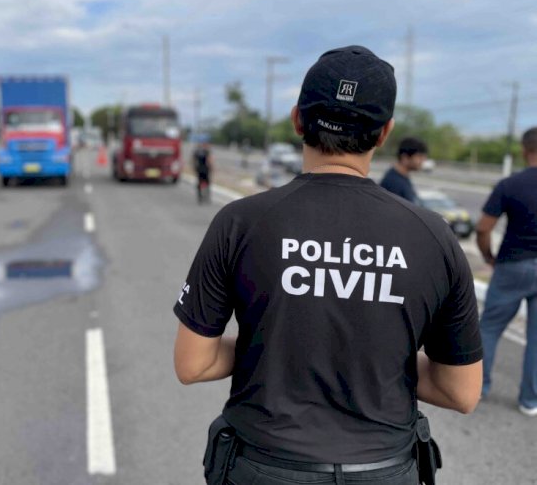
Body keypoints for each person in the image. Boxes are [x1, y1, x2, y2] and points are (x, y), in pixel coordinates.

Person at [173, 46, 482, 485]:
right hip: (383, 470)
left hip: (263, 467)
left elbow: (194, 364)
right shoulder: (434, 236)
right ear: (384, 134)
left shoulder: (239, 222)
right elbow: (461, 390)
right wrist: (376, 362)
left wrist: (276, 348)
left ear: (298, 119)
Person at [476, 127, 537, 417]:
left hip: (513, 264)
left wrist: (488, 255)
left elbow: (483, 228)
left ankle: (478, 388)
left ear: (525, 150)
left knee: (489, 327)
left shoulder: (510, 184)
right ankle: (529, 400)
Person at [379, 137, 428, 203]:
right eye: (419, 157)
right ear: (405, 157)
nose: (423, 161)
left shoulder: (402, 178)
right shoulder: (393, 183)